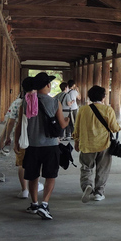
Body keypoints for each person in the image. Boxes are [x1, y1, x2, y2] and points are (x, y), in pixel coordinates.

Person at [14, 72, 69, 220]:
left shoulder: (26, 103)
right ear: (47, 85)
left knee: (33, 176)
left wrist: (15, 142)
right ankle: (44, 204)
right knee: (50, 175)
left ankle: (34, 204)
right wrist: (68, 120)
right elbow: (62, 125)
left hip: (32, 145)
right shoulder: (54, 102)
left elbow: (20, 125)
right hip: (50, 145)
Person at [73, 85, 120, 203]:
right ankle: (99, 192)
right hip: (104, 144)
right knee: (102, 169)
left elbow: (77, 127)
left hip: (86, 144)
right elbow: (114, 128)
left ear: (90, 97)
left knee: (86, 167)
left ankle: (87, 186)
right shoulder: (108, 110)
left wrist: (76, 141)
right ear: (103, 97)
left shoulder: (83, 110)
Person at [8, 77, 43, 198]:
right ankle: (35, 185)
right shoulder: (41, 101)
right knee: (36, 164)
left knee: (22, 164)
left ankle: (24, 190)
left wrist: (10, 138)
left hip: (22, 138)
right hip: (38, 139)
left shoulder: (17, 103)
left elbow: (12, 122)